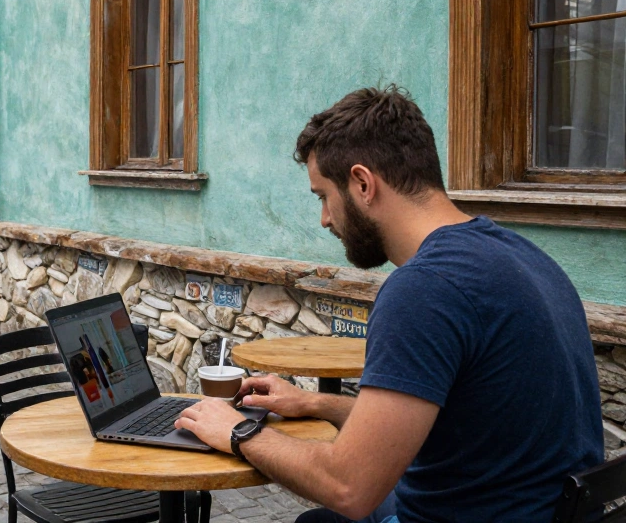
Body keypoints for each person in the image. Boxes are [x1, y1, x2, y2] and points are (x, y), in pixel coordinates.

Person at [173, 86, 602, 523]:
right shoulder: (526, 258)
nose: (324, 218)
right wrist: (314, 404)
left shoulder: (425, 288)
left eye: (323, 196)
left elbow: (349, 486)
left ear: (362, 183)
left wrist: (238, 431)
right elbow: (439, 416)